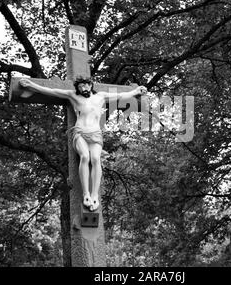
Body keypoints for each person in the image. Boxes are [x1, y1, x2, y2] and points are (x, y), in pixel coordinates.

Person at [19, 76, 147, 211]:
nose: (83, 88)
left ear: (91, 85)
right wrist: (31, 85)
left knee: (96, 159)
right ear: (77, 88)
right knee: (85, 157)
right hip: (80, 132)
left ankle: (94, 195)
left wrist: (136, 91)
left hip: (95, 133)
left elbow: (120, 95)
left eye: (85, 86)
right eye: (80, 87)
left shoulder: (101, 96)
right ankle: (86, 193)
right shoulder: (72, 96)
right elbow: (51, 91)